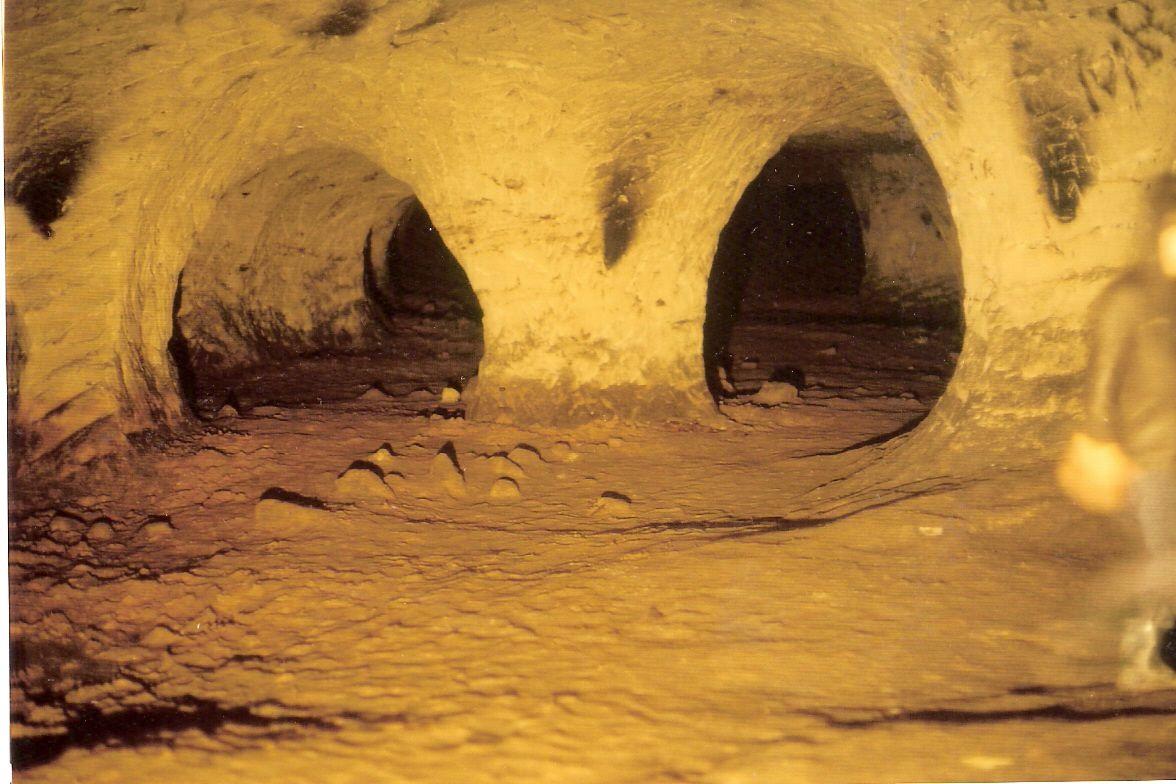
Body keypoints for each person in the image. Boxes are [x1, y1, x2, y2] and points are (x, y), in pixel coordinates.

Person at [1058, 172, 1176, 689]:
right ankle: (1133, 651)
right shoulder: (1128, 299)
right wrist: (1103, 444)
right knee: (1167, 558)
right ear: (1158, 230)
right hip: (1149, 455)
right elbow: (1100, 383)